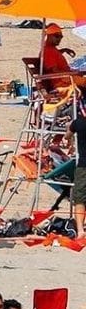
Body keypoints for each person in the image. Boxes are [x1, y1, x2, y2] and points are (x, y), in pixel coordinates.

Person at [65, 91, 86, 239]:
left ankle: (80, 230)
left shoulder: (78, 122)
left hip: (83, 165)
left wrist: (70, 141)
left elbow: (67, 135)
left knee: (80, 198)